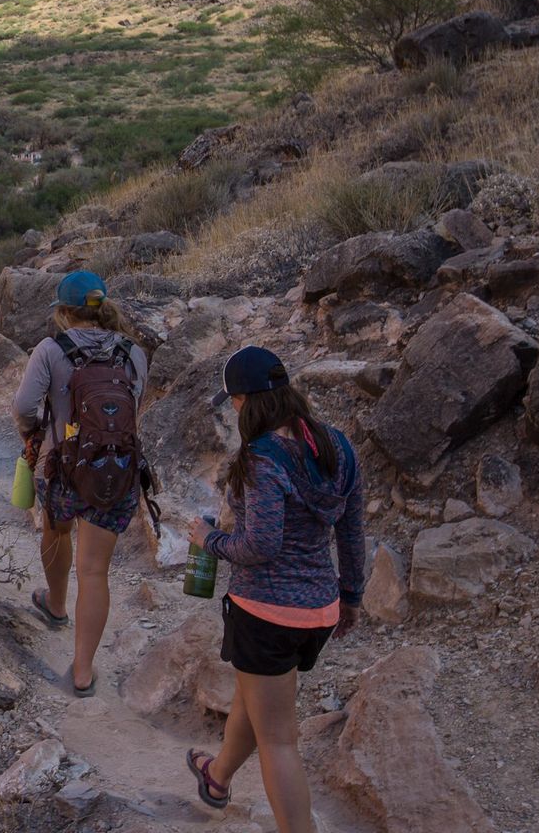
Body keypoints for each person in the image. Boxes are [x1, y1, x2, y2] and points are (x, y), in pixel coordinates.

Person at [184, 346, 365, 833]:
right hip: (317, 612)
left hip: (265, 614)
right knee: (255, 701)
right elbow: (350, 532)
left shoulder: (262, 458)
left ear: (245, 400)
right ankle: (217, 778)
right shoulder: (339, 448)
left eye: (234, 401)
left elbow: (260, 545)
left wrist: (210, 540)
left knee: (280, 741)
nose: (234, 410)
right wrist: (351, 597)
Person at [12, 269, 148, 697]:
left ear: (62, 311)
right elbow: (135, 405)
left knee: (56, 530)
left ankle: (55, 605)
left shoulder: (52, 350)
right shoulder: (132, 351)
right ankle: (84, 672)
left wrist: (34, 432)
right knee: (96, 571)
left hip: (63, 465)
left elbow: (24, 406)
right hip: (116, 467)